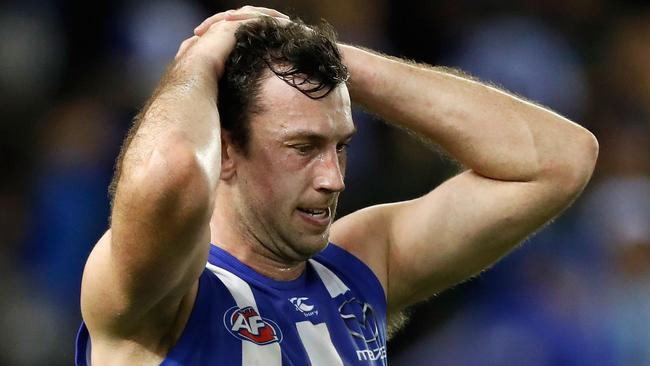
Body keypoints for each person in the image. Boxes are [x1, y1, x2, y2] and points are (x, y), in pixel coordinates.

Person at [75, 6, 598, 365]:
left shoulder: (360, 266)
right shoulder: (160, 287)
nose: (332, 179)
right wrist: (201, 58)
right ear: (226, 151)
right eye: (302, 148)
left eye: (340, 146)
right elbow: (170, 172)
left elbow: (559, 159)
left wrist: (322, 57)